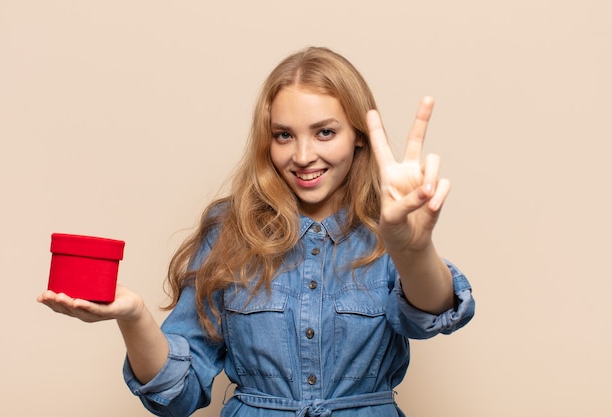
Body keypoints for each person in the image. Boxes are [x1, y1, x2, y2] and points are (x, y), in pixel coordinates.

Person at [38, 46, 475, 417]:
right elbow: (179, 393)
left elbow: (432, 314)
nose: (303, 155)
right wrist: (133, 316)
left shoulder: (391, 228)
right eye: (283, 135)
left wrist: (411, 249)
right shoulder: (229, 230)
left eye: (325, 132)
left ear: (358, 136)